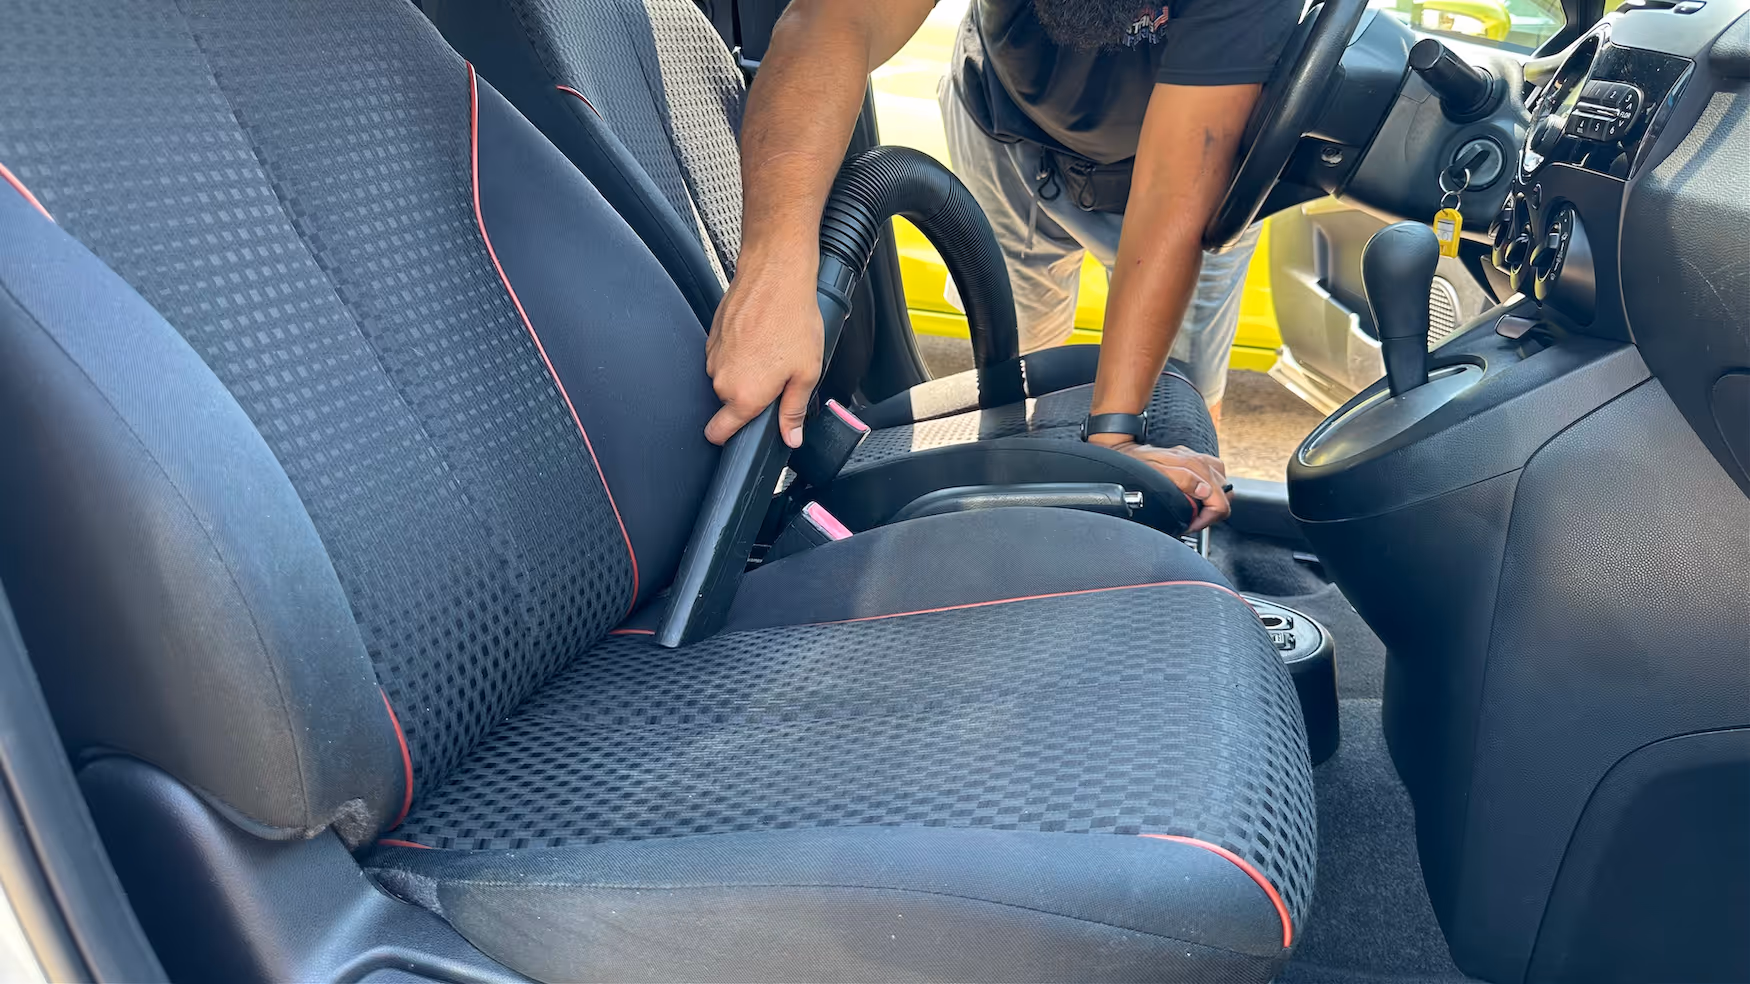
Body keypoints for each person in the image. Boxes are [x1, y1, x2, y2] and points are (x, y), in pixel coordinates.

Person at [705, 0, 1300, 531]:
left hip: (1184, 167)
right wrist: (774, 275)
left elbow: (1173, 191)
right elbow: (836, 19)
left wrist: (1116, 436)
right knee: (1024, 363)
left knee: (1185, 377)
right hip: (1010, 137)